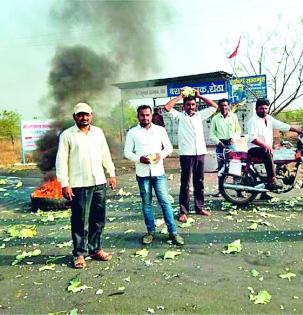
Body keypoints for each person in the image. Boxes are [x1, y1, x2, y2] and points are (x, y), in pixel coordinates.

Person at [56, 102, 116, 269]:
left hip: (98, 182)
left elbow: (105, 154)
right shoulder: (67, 135)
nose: (84, 117)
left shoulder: (98, 133)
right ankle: (79, 254)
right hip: (79, 184)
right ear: (74, 117)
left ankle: (95, 249)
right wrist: (65, 183)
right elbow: (61, 160)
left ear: (92, 116)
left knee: (98, 218)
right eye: (80, 115)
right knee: (80, 220)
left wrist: (111, 173)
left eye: (87, 114)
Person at [124, 105, 184, 246]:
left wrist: (160, 155)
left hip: (158, 172)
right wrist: (140, 159)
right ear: (138, 116)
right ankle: (150, 232)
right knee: (147, 204)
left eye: (147, 115)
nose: (145, 118)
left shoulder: (160, 130)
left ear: (151, 115)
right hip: (142, 173)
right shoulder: (132, 133)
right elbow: (127, 152)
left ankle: (173, 232)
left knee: (165, 202)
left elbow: (168, 148)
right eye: (142, 115)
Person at [164, 88, 218, 223]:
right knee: (185, 184)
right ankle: (183, 211)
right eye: (188, 105)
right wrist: (180, 96)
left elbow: (214, 106)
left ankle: (199, 207)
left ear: (196, 105)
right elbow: (167, 107)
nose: (191, 107)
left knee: (199, 182)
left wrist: (199, 96)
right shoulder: (179, 116)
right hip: (186, 154)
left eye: (193, 105)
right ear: (184, 106)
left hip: (200, 153)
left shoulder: (200, 115)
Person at [247, 98, 303, 190]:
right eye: (261, 108)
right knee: (267, 153)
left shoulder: (269, 118)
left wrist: (298, 131)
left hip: (266, 148)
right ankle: (272, 179)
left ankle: (281, 174)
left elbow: (282, 126)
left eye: (266, 108)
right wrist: (265, 145)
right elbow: (252, 138)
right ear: (256, 109)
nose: (264, 111)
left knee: (283, 153)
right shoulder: (253, 121)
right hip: (255, 148)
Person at [209, 98, 241, 197]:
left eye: (225, 105)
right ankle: (221, 190)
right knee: (221, 168)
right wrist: (218, 142)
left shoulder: (233, 117)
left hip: (232, 145)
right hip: (220, 146)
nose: (224, 107)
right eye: (222, 105)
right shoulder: (215, 118)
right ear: (219, 107)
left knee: (235, 167)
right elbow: (211, 134)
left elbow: (238, 131)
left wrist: (234, 138)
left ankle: (238, 191)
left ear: (228, 106)